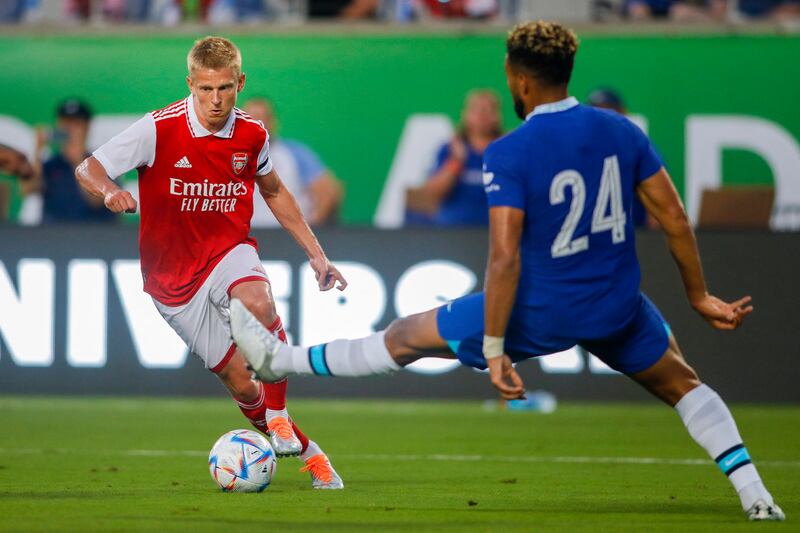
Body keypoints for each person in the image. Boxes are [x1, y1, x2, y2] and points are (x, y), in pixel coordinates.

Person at [232, 22, 784, 520]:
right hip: (618, 304)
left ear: (517, 80)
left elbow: (504, 257)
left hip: (540, 309)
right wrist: (699, 295)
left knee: (404, 337)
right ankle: (756, 494)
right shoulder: (624, 133)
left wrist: (495, 348)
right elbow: (675, 216)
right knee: (685, 387)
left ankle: (281, 360)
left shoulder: (511, 151)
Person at [74, 36, 347, 489]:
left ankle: (278, 417)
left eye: (225, 88)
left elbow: (274, 191)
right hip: (171, 282)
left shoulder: (251, 133)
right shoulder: (157, 130)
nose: (215, 100)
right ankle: (313, 455)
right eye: (205, 89)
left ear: (240, 82)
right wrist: (110, 190)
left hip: (227, 252)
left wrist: (317, 256)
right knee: (242, 385)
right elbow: (89, 167)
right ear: (190, 84)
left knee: (259, 303)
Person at [406, 90, 503, 226]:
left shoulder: (506, 151)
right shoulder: (451, 149)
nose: (482, 115)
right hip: (453, 230)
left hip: (495, 229)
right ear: (466, 114)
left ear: (497, 115)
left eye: (488, 110)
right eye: (477, 110)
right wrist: (456, 162)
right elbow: (432, 194)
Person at [244, 97, 343, 228]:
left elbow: (329, 190)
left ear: (273, 122)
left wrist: (312, 232)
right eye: (251, 118)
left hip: (289, 237)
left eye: (263, 118)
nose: (258, 123)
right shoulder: (226, 157)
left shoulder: (295, 153)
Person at [27, 99, 117, 224]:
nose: (70, 129)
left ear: (87, 127)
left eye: (76, 124)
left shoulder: (102, 163)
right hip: (53, 235)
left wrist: (78, 160)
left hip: (95, 234)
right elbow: (30, 189)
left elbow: (97, 203)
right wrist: (37, 151)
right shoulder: (51, 165)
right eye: (66, 123)